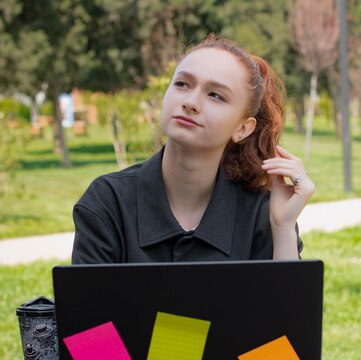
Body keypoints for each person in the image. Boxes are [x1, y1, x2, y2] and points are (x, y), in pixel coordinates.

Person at [71, 35, 315, 264]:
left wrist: (282, 227)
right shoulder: (107, 201)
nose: (190, 102)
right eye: (182, 84)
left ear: (243, 128)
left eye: (216, 95)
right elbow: (89, 309)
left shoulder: (261, 213)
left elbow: (287, 309)